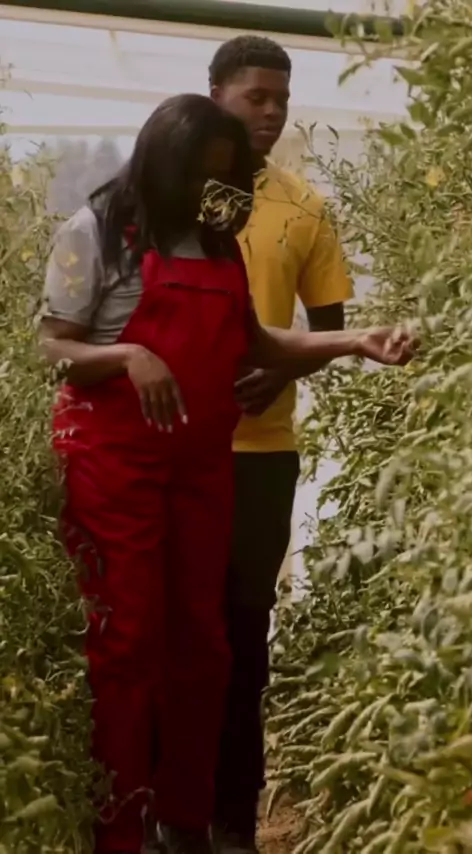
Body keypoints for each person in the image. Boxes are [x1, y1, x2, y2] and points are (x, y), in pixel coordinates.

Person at [39, 93, 415, 854]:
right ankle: (118, 829)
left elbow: (257, 343)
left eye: (223, 181)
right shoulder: (96, 231)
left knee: (203, 645)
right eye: (197, 178)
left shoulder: (217, 246)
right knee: (125, 642)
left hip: (201, 465)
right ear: (162, 165)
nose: (209, 195)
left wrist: (353, 342)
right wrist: (127, 354)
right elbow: (53, 345)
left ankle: (185, 817)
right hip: (112, 461)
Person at [209, 35, 355, 853]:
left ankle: (234, 820)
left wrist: (277, 374)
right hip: (167, 452)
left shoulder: (303, 206)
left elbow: (330, 328)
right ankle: (162, 814)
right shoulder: (167, 194)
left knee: (243, 632)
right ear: (216, 96)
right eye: (255, 97)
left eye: (282, 99)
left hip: (261, 455)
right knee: (168, 633)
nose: (271, 112)